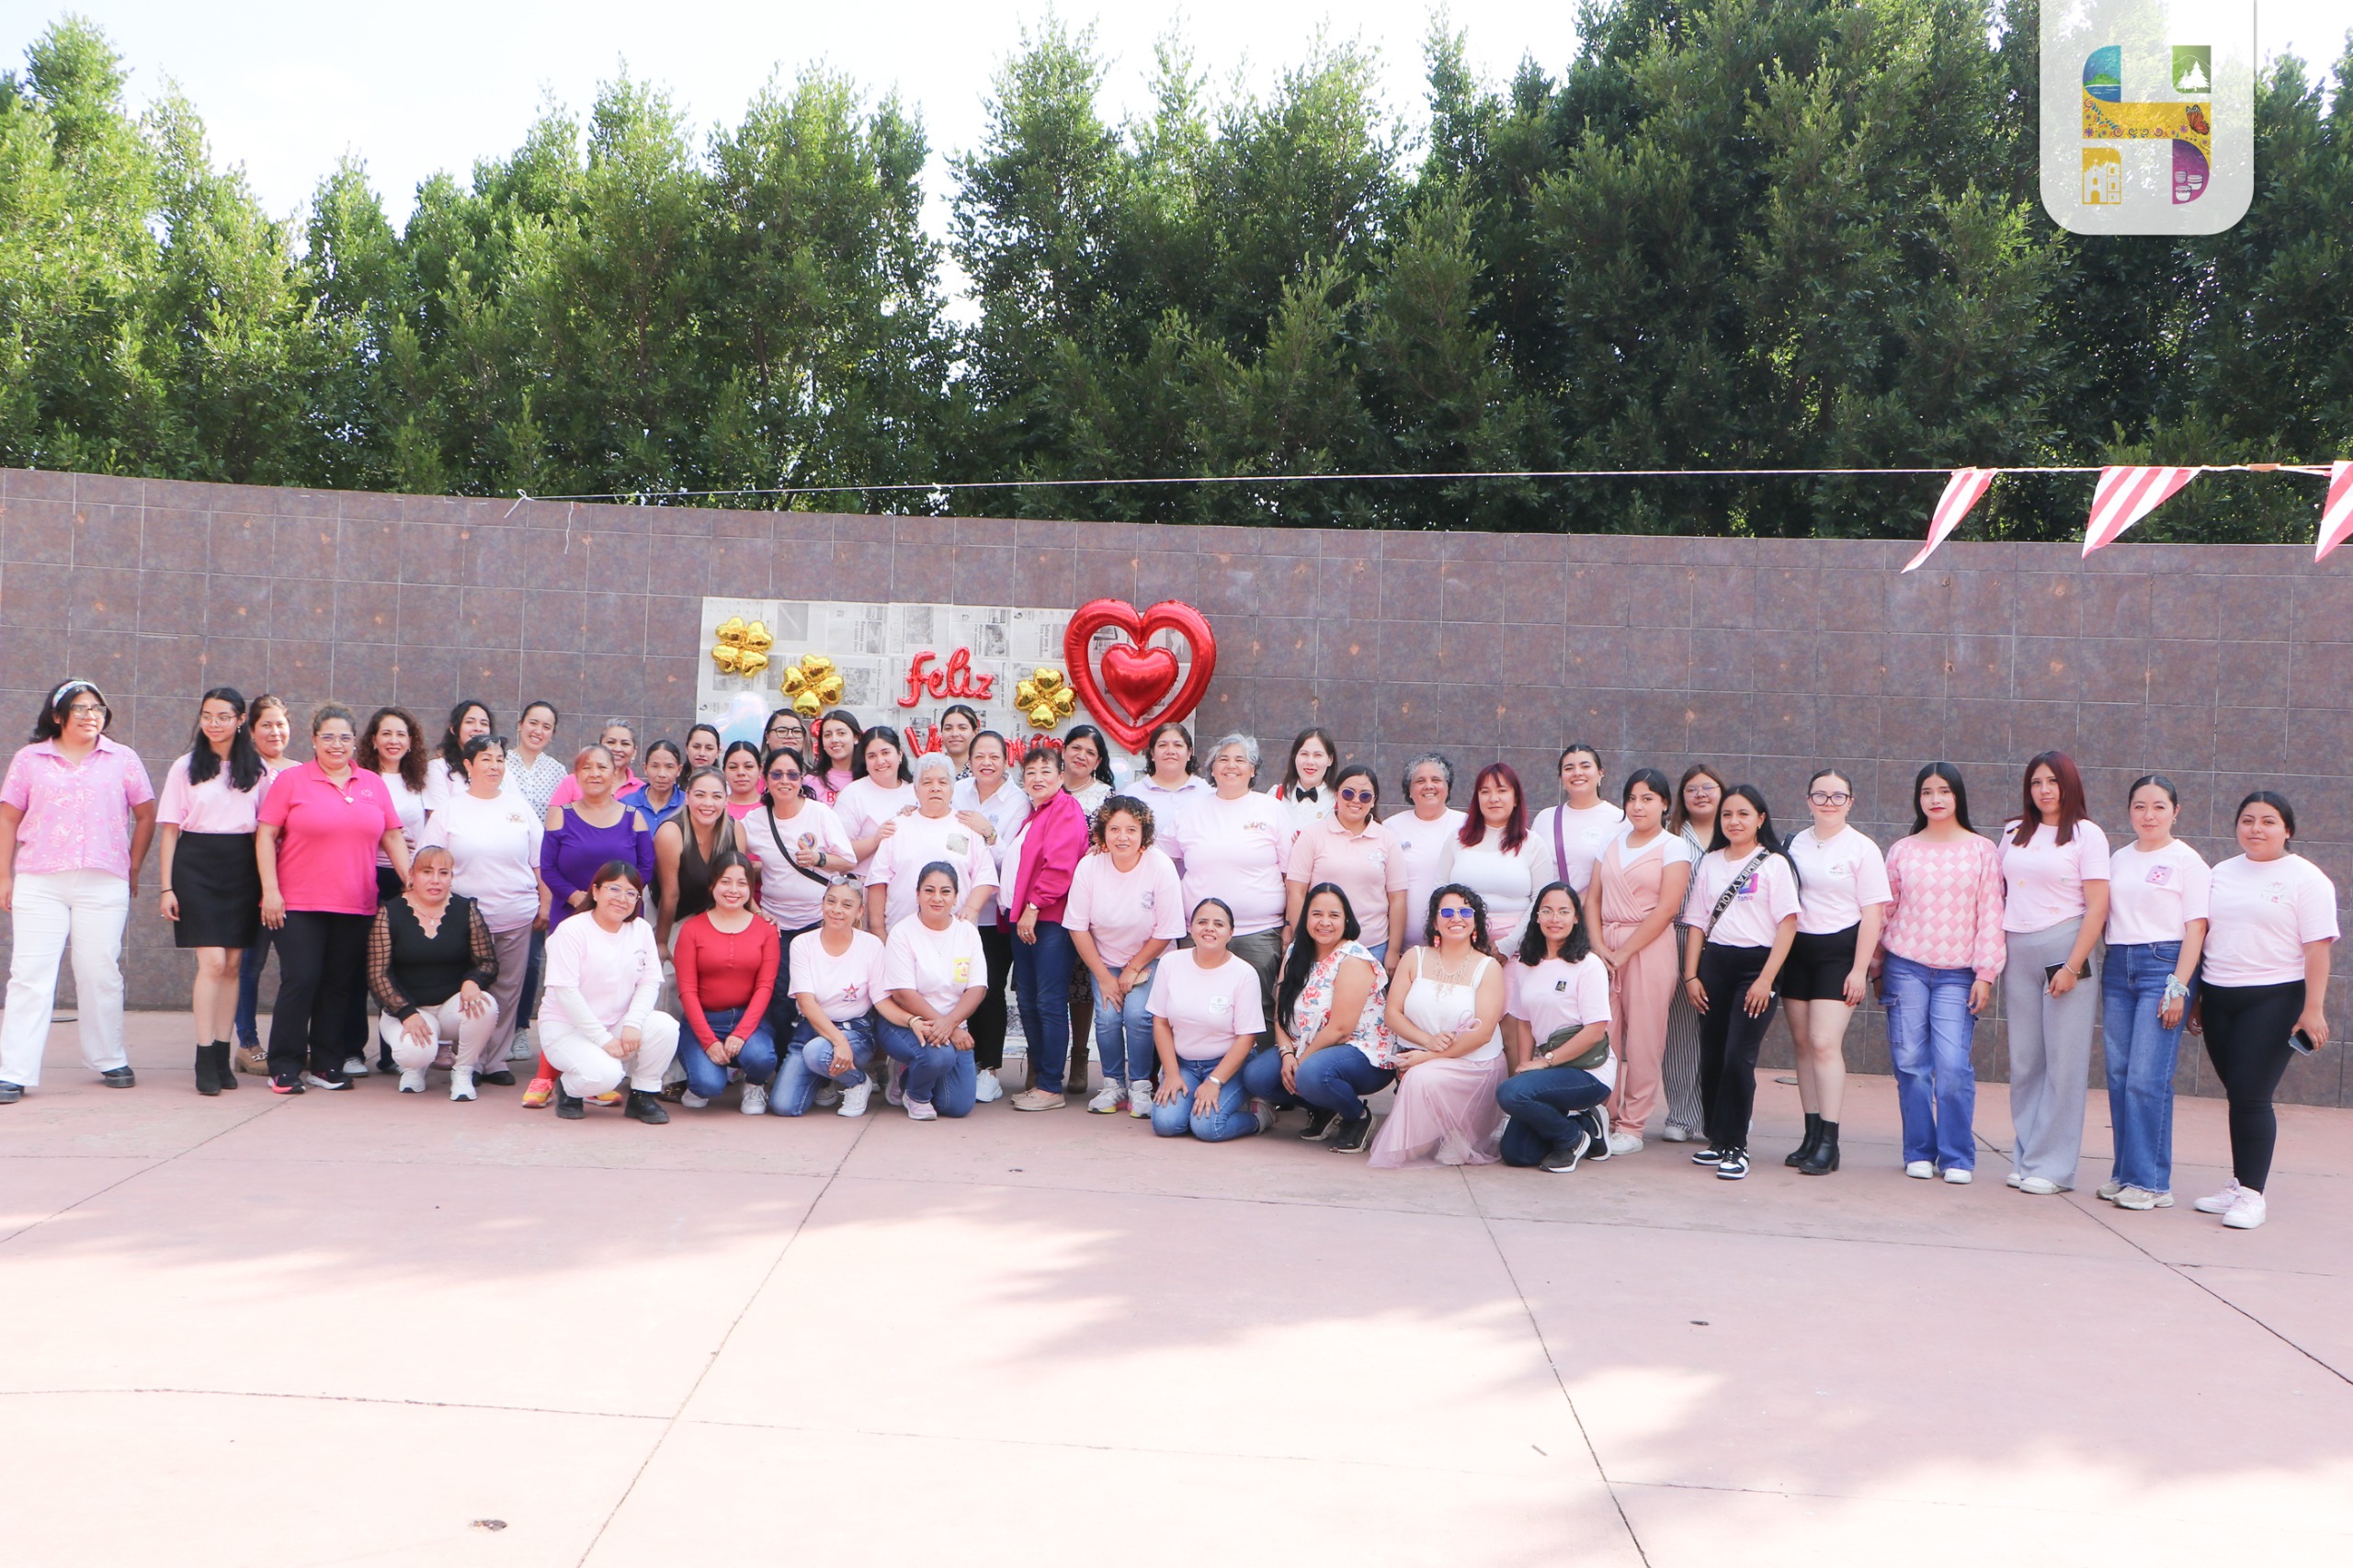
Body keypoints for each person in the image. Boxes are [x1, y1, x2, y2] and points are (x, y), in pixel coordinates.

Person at [0, 680, 156, 1104]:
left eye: (98, 708)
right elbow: (9, 819)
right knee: (30, 975)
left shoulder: (122, 758)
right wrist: (4, 877)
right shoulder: (30, 759)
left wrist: (134, 865)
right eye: (80, 708)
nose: (91, 715)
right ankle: (13, 1070)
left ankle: (109, 1057)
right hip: (40, 879)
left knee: (100, 970)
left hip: (104, 881)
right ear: (57, 716)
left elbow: (145, 814)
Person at [2188, 791, 2337, 1231]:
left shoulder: (2306, 879)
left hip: (2274, 998)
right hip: (2219, 996)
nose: (2256, 829)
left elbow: (2317, 951)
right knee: (2238, 1094)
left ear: (2287, 829)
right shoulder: (2220, 873)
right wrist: (2196, 996)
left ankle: (2253, 1195)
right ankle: (2239, 1183)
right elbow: (2202, 935)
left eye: (2268, 821)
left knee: (2252, 1095)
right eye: (2248, 820)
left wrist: (2313, 1010)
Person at [256, 704, 411, 1095]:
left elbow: (392, 836)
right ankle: (286, 1064)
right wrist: (270, 891)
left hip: (356, 902)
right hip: (298, 902)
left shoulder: (372, 784)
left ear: (355, 742)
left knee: (338, 984)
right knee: (302, 979)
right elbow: (264, 836)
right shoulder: (292, 780)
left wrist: (411, 883)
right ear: (313, 740)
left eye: (344, 737)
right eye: (328, 737)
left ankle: (326, 1063)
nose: (336, 745)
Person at [1877, 762, 2005, 1182]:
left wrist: (1986, 974)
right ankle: (1918, 1150)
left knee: (1952, 1066)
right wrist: (1876, 966)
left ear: (1958, 797)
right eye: (1928, 791)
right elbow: (1885, 912)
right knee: (1910, 1062)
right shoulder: (1902, 850)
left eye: (1944, 791)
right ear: (1919, 798)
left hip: (1959, 974)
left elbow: (1990, 914)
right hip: (1905, 967)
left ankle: (1956, 1156)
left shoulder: (1982, 850)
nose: (1936, 799)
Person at [1998, 751, 2110, 1196]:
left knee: (2064, 1062)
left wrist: (2071, 965)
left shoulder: (2087, 835)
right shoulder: (2012, 832)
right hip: (2017, 948)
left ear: (2069, 785)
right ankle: (2027, 1155)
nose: (2044, 790)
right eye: (2036, 782)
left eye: (2053, 781)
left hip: (2065, 948)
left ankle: (2055, 1166)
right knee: (2025, 1060)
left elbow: (2098, 906)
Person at [2097, 775, 2209, 1211]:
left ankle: (2151, 1182)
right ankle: (2127, 1172)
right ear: (2129, 811)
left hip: (2165, 967)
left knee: (2148, 1077)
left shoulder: (2188, 861)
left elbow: (2196, 927)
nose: (2149, 815)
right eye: (2140, 806)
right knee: (2120, 1075)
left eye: (2159, 806)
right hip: (2118, 964)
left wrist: (2179, 986)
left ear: (2175, 812)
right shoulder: (2118, 858)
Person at [1679, 784, 1800, 1181]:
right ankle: (1716, 1138)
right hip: (1714, 964)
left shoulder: (1774, 864)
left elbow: (1788, 925)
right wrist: (1691, 974)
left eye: (1744, 814)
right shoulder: (1711, 862)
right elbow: (1696, 922)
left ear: (1760, 819)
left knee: (1738, 1056)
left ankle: (1737, 1145)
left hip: (1756, 969)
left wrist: (1767, 979)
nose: (1734, 821)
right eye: (1728, 814)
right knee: (1712, 1055)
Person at [528, 745, 656, 1108]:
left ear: (617, 774)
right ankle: (545, 1074)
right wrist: (580, 900)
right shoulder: (559, 815)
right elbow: (548, 868)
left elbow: (644, 870)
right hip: (571, 913)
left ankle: (592, 1072)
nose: (595, 773)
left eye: (603, 767)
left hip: (621, 916)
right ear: (577, 774)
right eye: (587, 767)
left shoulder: (634, 817)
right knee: (564, 994)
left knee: (611, 991)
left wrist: (615, 903)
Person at [1779, 767, 1891, 1176]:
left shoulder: (1863, 848)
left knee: (1825, 1043)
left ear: (1851, 802)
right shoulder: (1793, 843)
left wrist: (1861, 969)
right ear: (1809, 800)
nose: (1828, 803)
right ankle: (1810, 1135)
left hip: (1840, 953)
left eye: (1837, 796)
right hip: (1797, 951)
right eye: (1820, 795)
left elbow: (1873, 913)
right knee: (1803, 1044)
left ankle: (1830, 1140)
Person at [156, 687, 267, 1095]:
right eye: (207, 715)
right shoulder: (184, 767)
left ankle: (223, 1054)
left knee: (235, 964)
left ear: (240, 720)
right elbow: (169, 829)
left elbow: (266, 831)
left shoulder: (256, 770)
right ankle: (204, 1056)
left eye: (223, 715)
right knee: (214, 964)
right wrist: (167, 886)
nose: (214, 723)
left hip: (242, 867)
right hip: (196, 866)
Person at [419, 734, 545, 1083]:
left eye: (500, 759)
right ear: (469, 766)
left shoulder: (519, 807)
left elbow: (539, 861)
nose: (494, 765)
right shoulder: (450, 810)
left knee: (507, 989)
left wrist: (545, 901)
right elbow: (430, 864)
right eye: (486, 759)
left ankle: (495, 1061)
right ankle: (469, 1061)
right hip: (464, 920)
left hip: (515, 914)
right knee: (471, 991)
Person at [1585, 767, 1692, 1155]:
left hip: (1648, 946)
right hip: (1605, 946)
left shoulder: (1673, 846)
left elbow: (1666, 909)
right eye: (1632, 798)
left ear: (1664, 804)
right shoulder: (1610, 842)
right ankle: (1602, 1115)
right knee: (1603, 1035)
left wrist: (1625, 952)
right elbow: (1592, 899)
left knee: (1646, 1039)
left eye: (1648, 798)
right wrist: (1599, 946)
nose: (1638, 806)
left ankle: (1632, 1125)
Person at [1240, 884, 1394, 1152]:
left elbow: (1341, 1029)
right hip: (1306, 1047)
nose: (1325, 922)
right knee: (1256, 1077)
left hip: (1362, 1053)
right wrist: (1287, 1054)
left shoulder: (1353, 958)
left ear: (1346, 919)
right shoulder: (1296, 951)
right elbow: (1280, 1012)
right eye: (1317, 914)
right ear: (1306, 918)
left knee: (1309, 1074)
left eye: (1334, 915)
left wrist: (1300, 1061)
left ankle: (1356, 1116)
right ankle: (1324, 1108)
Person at [1372, 877, 1511, 1168]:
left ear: (1476, 921)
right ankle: (1439, 1133)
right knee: (1420, 1078)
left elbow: (1483, 1033)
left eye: (1465, 912)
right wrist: (1427, 1043)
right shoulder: (1415, 957)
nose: (1456, 919)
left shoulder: (1488, 968)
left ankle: (1463, 1129)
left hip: (1476, 1063)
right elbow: (1392, 1013)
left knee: (1421, 1076)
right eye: (1447, 913)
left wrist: (1429, 1057)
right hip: (1425, 1053)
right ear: (1435, 922)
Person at [1165, 734, 1294, 1036]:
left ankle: (1254, 1081)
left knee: (1259, 1009)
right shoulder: (1190, 811)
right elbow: (1158, 858)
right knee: (1196, 1007)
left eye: (1240, 760)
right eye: (1223, 759)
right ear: (1211, 769)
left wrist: (1291, 924)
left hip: (1259, 933)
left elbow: (1292, 874)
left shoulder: (1271, 809)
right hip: (1199, 933)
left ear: (1253, 770)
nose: (1231, 766)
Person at [1068, 796, 1184, 1117]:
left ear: (1143, 833)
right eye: (1114, 829)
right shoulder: (1089, 866)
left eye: (1131, 829)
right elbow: (1078, 928)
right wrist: (1105, 978)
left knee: (1137, 1015)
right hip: (1104, 958)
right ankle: (1113, 1085)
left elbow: (1167, 929)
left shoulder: (1160, 866)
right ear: (1102, 833)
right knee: (1106, 1016)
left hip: (1151, 957)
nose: (1122, 837)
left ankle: (1141, 1086)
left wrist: (1134, 969)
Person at [538, 861, 675, 1123]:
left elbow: (649, 982)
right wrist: (602, 1039)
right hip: (568, 1028)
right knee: (606, 1077)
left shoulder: (641, 930)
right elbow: (567, 993)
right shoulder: (571, 930)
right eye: (614, 889)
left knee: (665, 1027)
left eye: (631, 893)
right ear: (596, 891)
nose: (622, 899)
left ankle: (642, 1095)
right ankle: (570, 1088)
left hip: (616, 1022)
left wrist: (633, 1024)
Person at [1497, 883, 1619, 1171]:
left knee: (1510, 1094)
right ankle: (1586, 1125)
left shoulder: (1588, 965)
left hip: (1587, 1072)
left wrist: (1544, 1062)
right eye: (1548, 911)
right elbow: (1523, 1020)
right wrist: (1526, 1064)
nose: (1555, 919)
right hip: (1549, 1071)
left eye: (1564, 911)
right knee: (1517, 1154)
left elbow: (1595, 1030)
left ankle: (1572, 1138)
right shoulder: (1528, 964)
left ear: (1576, 917)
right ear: (1536, 916)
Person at [740, 746, 854, 1051]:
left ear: (802, 778)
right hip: (775, 923)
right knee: (778, 993)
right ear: (765, 778)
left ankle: (818, 1059)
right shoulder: (753, 821)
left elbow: (848, 860)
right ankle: (780, 1058)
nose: (784, 781)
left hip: (818, 921)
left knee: (820, 993)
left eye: (792, 774)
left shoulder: (820, 814)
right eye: (776, 774)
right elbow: (733, 866)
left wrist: (819, 858)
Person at [367, 846, 499, 1098]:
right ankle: (415, 1068)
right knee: (414, 1053)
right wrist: (406, 1013)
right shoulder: (389, 912)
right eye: (427, 872)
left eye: (443, 872)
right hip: (408, 1010)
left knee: (486, 1005)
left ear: (451, 877)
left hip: (451, 1007)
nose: (435, 880)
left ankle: (463, 1071)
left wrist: (473, 981)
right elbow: (377, 974)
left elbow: (487, 961)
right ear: (412, 875)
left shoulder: (465, 909)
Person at [1002, 744, 1089, 1111]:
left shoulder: (1065, 809)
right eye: (1031, 773)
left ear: (1060, 777)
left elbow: (1060, 866)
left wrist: (1034, 906)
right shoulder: (1035, 814)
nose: (1037, 778)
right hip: (1026, 922)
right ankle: (1042, 1080)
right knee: (1029, 1002)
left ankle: (1051, 1085)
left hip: (1048, 921)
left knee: (1050, 1003)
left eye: (1045, 772)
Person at [1145, 898, 1269, 1141]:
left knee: (1208, 1128)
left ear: (1231, 933)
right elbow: (1160, 1022)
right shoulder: (1171, 963)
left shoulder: (1244, 974)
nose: (1209, 928)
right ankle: (1196, 1106)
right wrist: (1171, 1073)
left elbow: (1247, 1037)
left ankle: (1260, 1117)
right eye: (1202, 922)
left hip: (1228, 1066)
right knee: (1166, 1124)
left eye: (1218, 924)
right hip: (1184, 1065)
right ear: (1191, 928)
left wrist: (1214, 1081)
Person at [874, 862, 988, 1120]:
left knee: (957, 1107)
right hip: (906, 1025)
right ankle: (915, 1092)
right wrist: (948, 1026)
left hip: (952, 1026)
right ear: (917, 894)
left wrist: (951, 1024)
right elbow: (903, 995)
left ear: (956, 897)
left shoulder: (967, 932)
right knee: (939, 1056)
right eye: (929, 890)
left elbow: (977, 988)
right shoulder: (903, 933)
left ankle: (916, 1072)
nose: (937, 898)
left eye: (945, 891)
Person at [672, 854, 781, 1113]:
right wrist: (709, 1040)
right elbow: (686, 991)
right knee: (706, 1086)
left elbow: (765, 987)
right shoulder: (692, 929)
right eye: (726, 882)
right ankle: (705, 1073)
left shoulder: (765, 929)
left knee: (761, 1058)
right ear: (712, 885)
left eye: (742, 883)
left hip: (747, 1019)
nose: (733, 890)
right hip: (705, 1019)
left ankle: (754, 1085)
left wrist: (741, 1033)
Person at [952, 731, 1028, 1103]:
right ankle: (960, 1060)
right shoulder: (957, 791)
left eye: (993, 756)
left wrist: (988, 831)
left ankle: (990, 1068)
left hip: (993, 914)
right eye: (978, 755)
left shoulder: (1017, 801)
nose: (986, 762)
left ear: (1006, 760)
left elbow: (1013, 859)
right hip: (954, 913)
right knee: (957, 986)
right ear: (969, 760)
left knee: (989, 988)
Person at [356, 705, 429, 1074]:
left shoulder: (419, 781)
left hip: (405, 882)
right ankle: (353, 1049)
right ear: (373, 739)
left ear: (411, 740)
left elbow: (428, 829)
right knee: (360, 966)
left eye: (401, 734)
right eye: (386, 733)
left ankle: (393, 1053)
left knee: (397, 965)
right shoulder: (361, 778)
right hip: (365, 877)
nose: (394, 740)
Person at [773, 878, 886, 1118]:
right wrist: (838, 1042)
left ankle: (857, 1081)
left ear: (859, 912)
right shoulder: (802, 943)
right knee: (784, 1105)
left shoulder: (871, 945)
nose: (836, 910)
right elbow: (806, 1002)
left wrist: (913, 1021)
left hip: (855, 1031)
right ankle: (826, 1079)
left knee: (817, 1054)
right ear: (822, 904)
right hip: (812, 1030)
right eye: (831, 901)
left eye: (847, 905)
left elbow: (881, 1000)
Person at [1657, 764, 1725, 1142]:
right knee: (1681, 1031)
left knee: (1724, 1031)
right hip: (1678, 936)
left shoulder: (1736, 832)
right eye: (1691, 789)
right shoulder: (1669, 836)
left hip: (1728, 941)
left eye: (1708, 787)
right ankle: (1682, 1115)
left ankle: (1724, 1113)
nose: (1700, 794)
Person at [231, 693, 297, 1076]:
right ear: (251, 730)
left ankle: (289, 1042)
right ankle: (248, 1042)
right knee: (250, 965)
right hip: (252, 880)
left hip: (296, 877)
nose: (275, 731)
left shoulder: (302, 770)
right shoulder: (242, 768)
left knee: (297, 966)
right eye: (266, 725)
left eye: (280, 724)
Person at [1285, 763, 1407, 962]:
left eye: (1365, 796)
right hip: (1320, 946)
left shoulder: (1388, 839)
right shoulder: (1312, 835)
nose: (1356, 801)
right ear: (1336, 794)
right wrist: (1302, 940)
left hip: (1372, 947)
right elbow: (1296, 891)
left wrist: (1393, 950)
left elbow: (1398, 900)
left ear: (1374, 800)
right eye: (1348, 793)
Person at [864, 753, 997, 935]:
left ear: (952, 788)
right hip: (901, 933)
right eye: (927, 783)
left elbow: (985, 876)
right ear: (916, 790)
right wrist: (878, 930)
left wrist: (971, 910)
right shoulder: (897, 826)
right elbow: (878, 881)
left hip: (955, 934)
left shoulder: (968, 827)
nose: (935, 788)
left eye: (942, 782)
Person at [1440, 763, 1540, 954]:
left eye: (1502, 790)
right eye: (1485, 792)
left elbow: (1540, 901)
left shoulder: (1532, 843)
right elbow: (1440, 893)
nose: (1493, 799)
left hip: (1517, 950)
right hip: (1461, 945)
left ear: (1516, 798)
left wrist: (1509, 945)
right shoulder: (1456, 840)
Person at [654, 769, 756, 954]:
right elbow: (670, 894)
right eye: (700, 795)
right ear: (687, 797)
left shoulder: (735, 830)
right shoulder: (670, 833)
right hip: (674, 912)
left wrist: (758, 913)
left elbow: (740, 882)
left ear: (726, 800)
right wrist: (661, 942)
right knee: (669, 975)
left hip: (713, 912)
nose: (708, 803)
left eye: (716, 796)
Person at [1388, 754, 1465, 953]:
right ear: (1409, 790)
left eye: (1436, 780)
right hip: (1402, 950)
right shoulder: (1390, 827)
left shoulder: (1467, 825)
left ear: (1447, 787)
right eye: (1420, 781)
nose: (1428, 786)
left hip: (1457, 948)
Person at [1530, 743, 1625, 898]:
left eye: (1585, 766)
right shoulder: (1545, 818)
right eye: (1569, 768)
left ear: (1600, 773)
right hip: (1555, 917)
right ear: (1561, 777)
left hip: (1599, 916)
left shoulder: (1620, 820)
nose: (1577, 773)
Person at [835, 724, 915, 877]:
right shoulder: (853, 794)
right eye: (872, 756)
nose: (880, 761)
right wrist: (876, 839)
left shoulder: (916, 791)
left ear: (899, 754)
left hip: (907, 884)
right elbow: (838, 854)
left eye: (886, 753)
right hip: (863, 884)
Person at [1131, 721, 1209, 867]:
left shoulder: (1208, 793)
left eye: (1178, 745)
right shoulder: (1132, 794)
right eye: (1162, 745)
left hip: (1197, 885)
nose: (1170, 751)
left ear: (1189, 753)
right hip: (1145, 882)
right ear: (1152, 754)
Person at [422, 699, 517, 814]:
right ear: (454, 728)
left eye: (484, 723)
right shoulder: (438, 768)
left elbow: (517, 810)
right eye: (470, 722)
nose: (478, 728)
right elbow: (439, 817)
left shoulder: (500, 769)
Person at [549, 720, 642, 811]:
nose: (617, 749)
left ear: (634, 752)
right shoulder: (573, 781)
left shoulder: (642, 790)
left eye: (625, 744)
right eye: (611, 742)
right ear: (599, 747)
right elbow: (554, 819)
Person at [507, 701, 567, 819]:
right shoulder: (501, 762)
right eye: (533, 723)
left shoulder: (558, 771)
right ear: (520, 725)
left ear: (552, 734)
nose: (538, 731)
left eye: (546, 727)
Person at [1273, 726, 1336, 835]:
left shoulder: (1337, 801)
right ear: (1294, 757)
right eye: (1304, 754)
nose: (1310, 761)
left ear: (1330, 760)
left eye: (1318, 755)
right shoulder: (1276, 795)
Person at [620, 739, 686, 829]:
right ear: (645, 768)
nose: (661, 774)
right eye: (655, 766)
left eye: (669, 767)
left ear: (679, 770)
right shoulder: (626, 804)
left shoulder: (686, 804)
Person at [1059, 723, 1116, 817]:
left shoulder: (1106, 795)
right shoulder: (1046, 785)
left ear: (1097, 762)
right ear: (1064, 751)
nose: (1081, 756)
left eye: (1090, 753)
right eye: (1076, 748)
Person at [809, 710, 861, 805]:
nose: (834, 740)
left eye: (841, 733)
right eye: (827, 735)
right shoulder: (809, 781)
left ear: (856, 738)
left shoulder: (871, 778)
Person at [718, 739, 767, 820]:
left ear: (760, 770)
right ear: (724, 772)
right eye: (733, 767)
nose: (741, 772)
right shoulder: (717, 807)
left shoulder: (772, 807)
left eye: (748, 766)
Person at [936, 704, 980, 778]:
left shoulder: (984, 769)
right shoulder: (930, 768)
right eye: (948, 729)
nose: (954, 734)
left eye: (962, 728)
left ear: (975, 732)